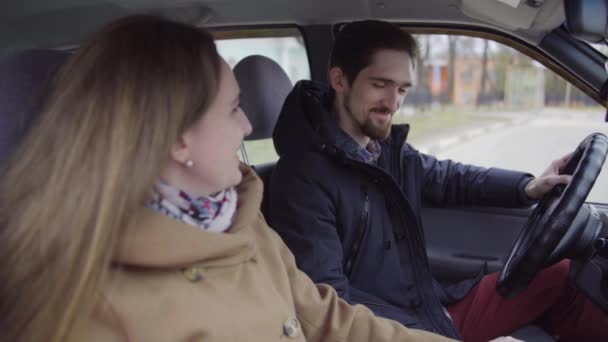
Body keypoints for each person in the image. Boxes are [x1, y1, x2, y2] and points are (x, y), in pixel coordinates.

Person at [0, 15, 470, 342]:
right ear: (177, 139)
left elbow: (327, 319)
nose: (248, 127)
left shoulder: (239, 213)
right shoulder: (95, 313)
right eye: (232, 110)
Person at [268, 20, 608, 342]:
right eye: (380, 85)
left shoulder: (382, 149)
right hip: (401, 331)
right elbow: (328, 307)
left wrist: (527, 188)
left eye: (402, 88)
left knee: (561, 274)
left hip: (432, 305)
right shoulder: (302, 180)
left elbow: (450, 178)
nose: (393, 103)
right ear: (339, 79)